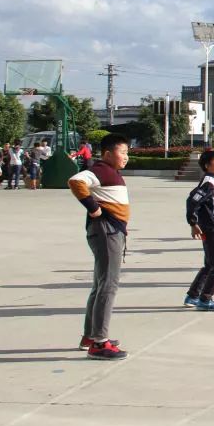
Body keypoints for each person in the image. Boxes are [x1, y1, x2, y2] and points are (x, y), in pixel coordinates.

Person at [68, 133, 131, 360]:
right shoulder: (101, 170)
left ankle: (91, 336)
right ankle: (99, 343)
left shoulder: (110, 172)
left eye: (127, 152)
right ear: (107, 153)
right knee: (109, 285)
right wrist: (93, 208)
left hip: (111, 231)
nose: (126, 157)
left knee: (101, 284)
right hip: (107, 231)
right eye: (122, 152)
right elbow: (76, 181)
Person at [184, 150, 214, 311]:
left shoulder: (212, 181)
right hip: (210, 229)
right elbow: (192, 200)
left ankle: (193, 295)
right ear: (208, 165)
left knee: (210, 264)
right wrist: (193, 222)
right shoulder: (209, 183)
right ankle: (205, 298)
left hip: (211, 228)